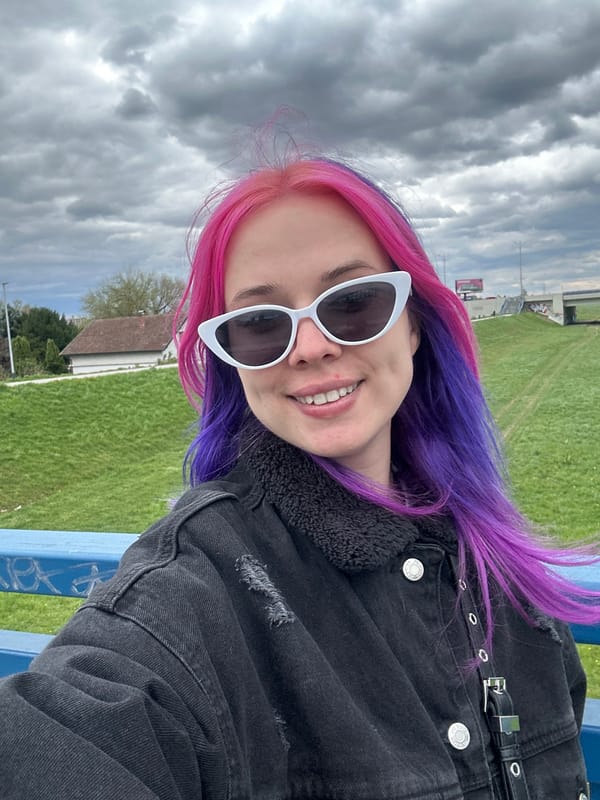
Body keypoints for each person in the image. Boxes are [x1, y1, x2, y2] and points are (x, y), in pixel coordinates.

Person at [0, 154, 598, 799]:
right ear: (234, 362)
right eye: (260, 325)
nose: (311, 346)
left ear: (415, 321)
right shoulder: (194, 589)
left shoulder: (492, 554)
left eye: (354, 302)